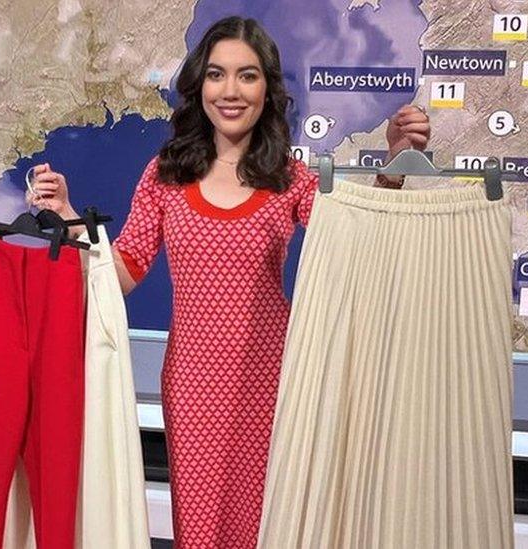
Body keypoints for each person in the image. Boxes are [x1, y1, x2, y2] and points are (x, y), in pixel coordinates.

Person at [27, 16, 430, 549]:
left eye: (247, 75)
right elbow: (122, 273)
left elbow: (359, 237)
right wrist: (68, 215)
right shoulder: (166, 174)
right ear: (200, 86)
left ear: (268, 88)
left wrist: (393, 165)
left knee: (269, 528)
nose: (231, 90)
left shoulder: (289, 177)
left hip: (274, 384)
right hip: (192, 388)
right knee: (199, 532)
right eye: (218, 75)